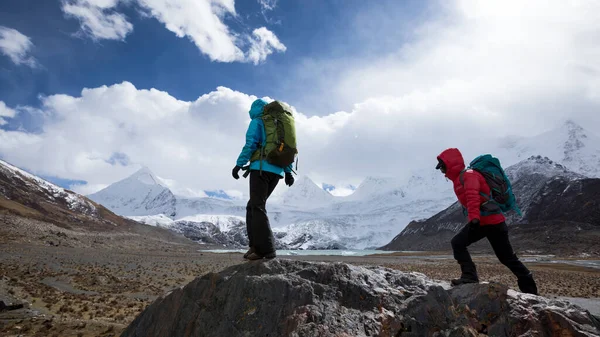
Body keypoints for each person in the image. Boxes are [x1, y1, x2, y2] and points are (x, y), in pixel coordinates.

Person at [435, 148, 538, 295]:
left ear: (450, 164)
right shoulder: (460, 178)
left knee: (462, 244)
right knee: (506, 257)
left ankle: (470, 276)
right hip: (488, 222)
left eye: (443, 167)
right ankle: (528, 288)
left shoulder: (468, 176)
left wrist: (474, 219)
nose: (442, 171)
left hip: (489, 222)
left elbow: (473, 197)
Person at [232, 98, 295, 261]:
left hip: (260, 168)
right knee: (252, 206)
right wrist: (288, 172)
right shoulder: (277, 123)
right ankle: (255, 246)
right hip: (277, 171)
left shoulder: (258, 121)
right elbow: (284, 148)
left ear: (254, 109)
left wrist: (239, 164)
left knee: (257, 206)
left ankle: (266, 250)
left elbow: (250, 144)